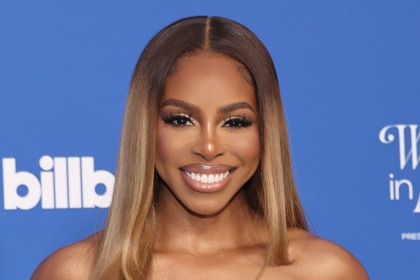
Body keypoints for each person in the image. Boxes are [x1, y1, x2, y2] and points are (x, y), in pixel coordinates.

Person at [31, 16, 369, 280]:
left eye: (235, 122)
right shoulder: (73, 273)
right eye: (180, 120)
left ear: (266, 132)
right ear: (146, 128)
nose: (208, 147)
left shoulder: (328, 271)